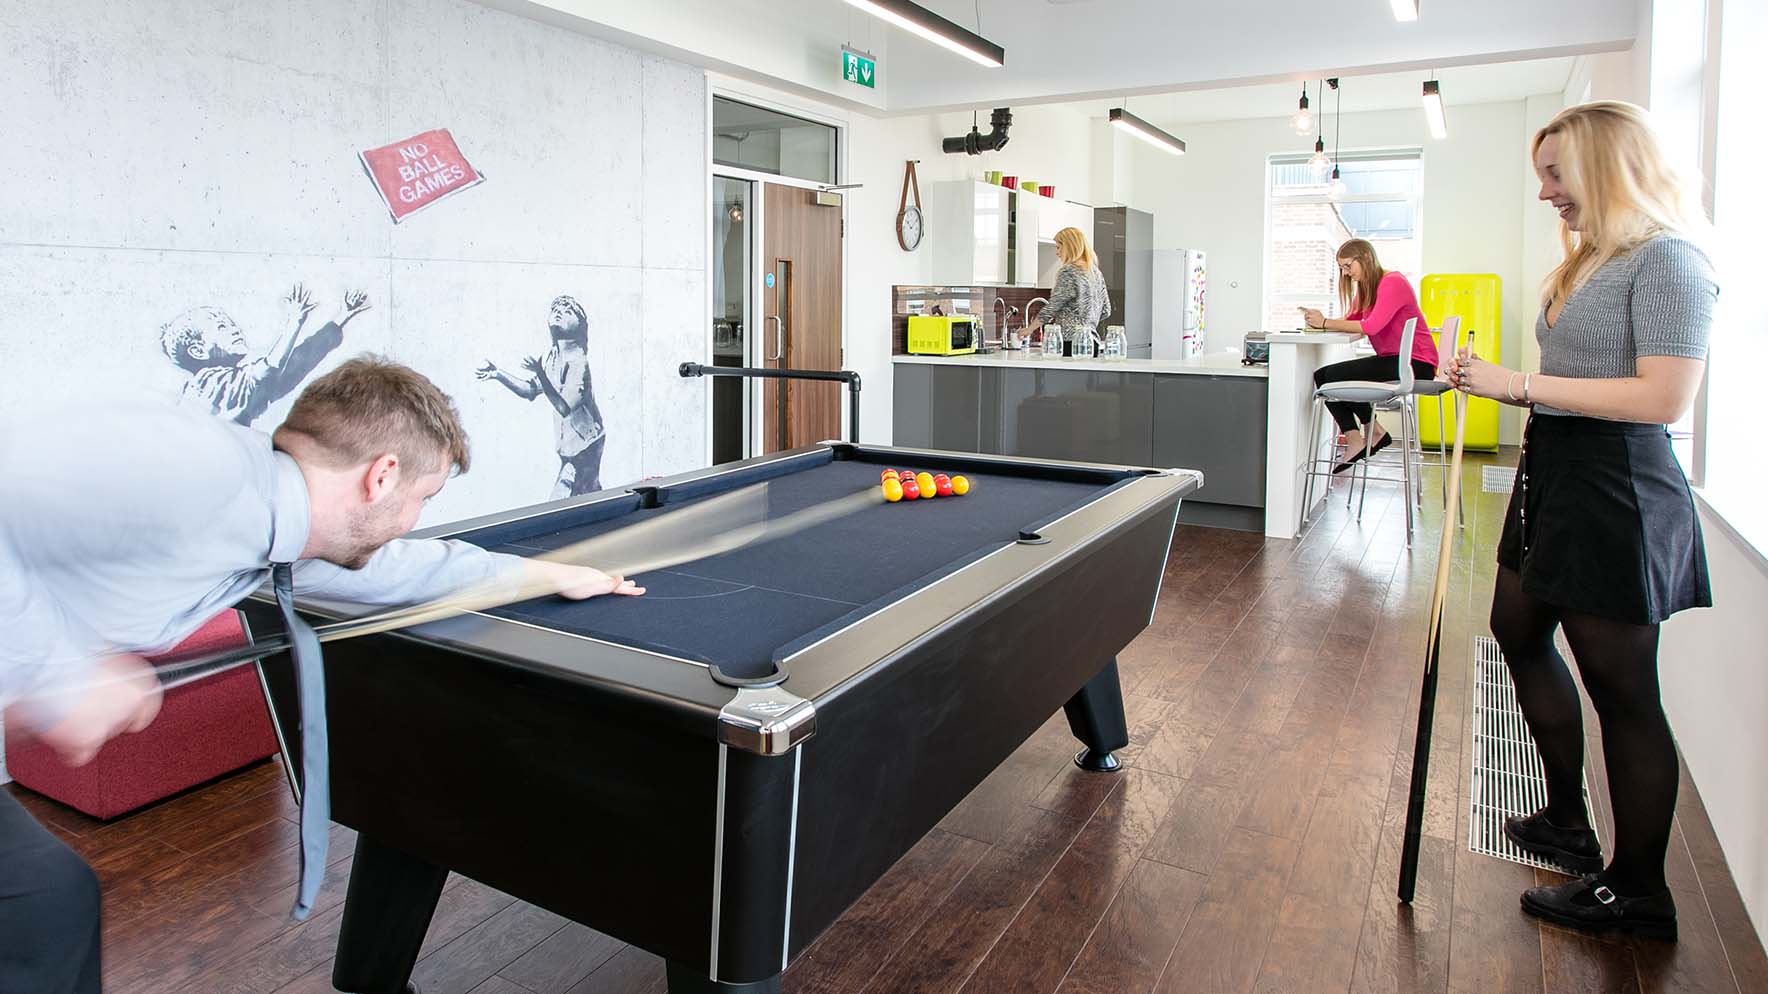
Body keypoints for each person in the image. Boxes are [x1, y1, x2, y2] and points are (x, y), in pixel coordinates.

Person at [0, 355, 641, 993]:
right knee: (43, 910)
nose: (413, 520)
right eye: (423, 498)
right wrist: (58, 673)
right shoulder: (196, 470)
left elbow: (408, 571)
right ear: (382, 477)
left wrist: (550, 576)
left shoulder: (284, 531)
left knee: (47, 906)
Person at [1444, 101, 1714, 941]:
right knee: (1516, 629)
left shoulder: (1670, 259)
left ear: (1607, 165)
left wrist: (1518, 384)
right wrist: (1494, 382)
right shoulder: (1592, 259)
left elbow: (1664, 397)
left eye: (1557, 174)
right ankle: (1567, 817)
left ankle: (1638, 890)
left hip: (1616, 485)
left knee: (1623, 691)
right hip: (1556, 469)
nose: (1546, 194)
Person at [1300, 239, 1438, 471]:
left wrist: (1325, 322)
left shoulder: (1392, 282)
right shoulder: (1367, 287)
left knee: (1331, 377)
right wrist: (1319, 321)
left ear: (1365, 258)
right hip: (1394, 360)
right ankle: (1366, 434)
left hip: (1416, 363)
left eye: (1347, 266)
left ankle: (1365, 435)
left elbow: (1371, 326)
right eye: (1342, 268)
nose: (1346, 273)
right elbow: (1351, 320)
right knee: (1323, 376)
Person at [161, 283, 370, 427]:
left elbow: (297, 363)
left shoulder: (239, 383)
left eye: (231, 324)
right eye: (222, 327)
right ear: (198, 351)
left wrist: (342, 317)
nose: (235, 330)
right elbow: (271, 367)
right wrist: (295, 321)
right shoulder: (207, 382)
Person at [477, 295, 607, 498]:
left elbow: (564, 407)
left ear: (580, 325)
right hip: (569, 450)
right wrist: (498, 374)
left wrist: (540, 373)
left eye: (568, 311)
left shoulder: (578, 362)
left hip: (586, 447)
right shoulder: (552, 358)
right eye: (556, 309)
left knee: (562, 499)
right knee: (589, 495)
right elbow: (530, 390)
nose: (559, 312)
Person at [1027, 226, 1110, 353]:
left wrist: (1029, 329)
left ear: (1070, 246)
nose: (1057, 252)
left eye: (1059, 247)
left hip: (1070, 343)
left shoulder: (1069, 271)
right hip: (1091, 342)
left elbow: (1052, 307)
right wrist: (1086, 323)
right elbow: (1106, 310)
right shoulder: (1095, 272)